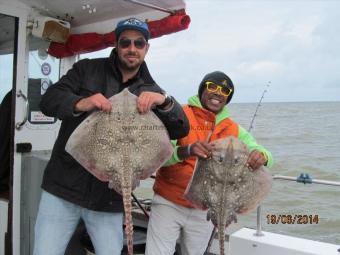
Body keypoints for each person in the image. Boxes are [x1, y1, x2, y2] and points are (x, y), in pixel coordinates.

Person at [33, 17, 189, 255]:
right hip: (63, 188)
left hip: (109, 199)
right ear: (117, 45)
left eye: (139, 43)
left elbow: (181, 129)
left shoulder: (153, 90)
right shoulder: (86, 70)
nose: (132, 48)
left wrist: (165, 101)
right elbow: (49, 100)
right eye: (125, 42)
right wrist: (80, 102)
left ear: (147, 48)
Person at [145, 71, 273, 255]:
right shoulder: (179, 115)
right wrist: (187, 150)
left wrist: (262, 156)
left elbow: (266, 155)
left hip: (207, 208)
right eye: (212, 86)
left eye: (225, 90)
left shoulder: (233, 129)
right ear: (202, 88)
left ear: (228, 97)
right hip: (169, 202)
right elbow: (159, 156)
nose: (218, 93)